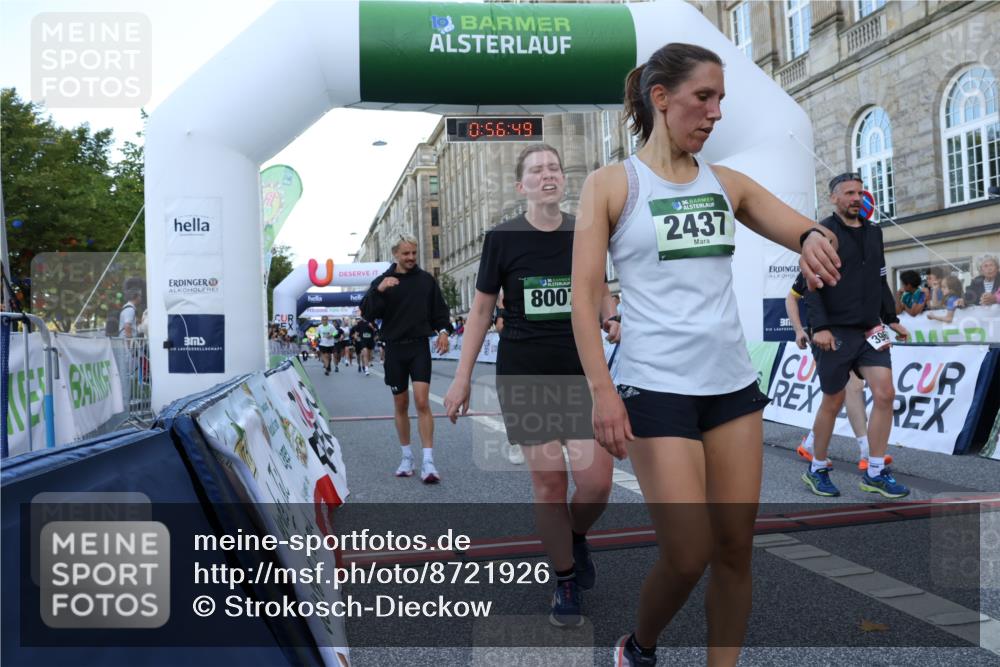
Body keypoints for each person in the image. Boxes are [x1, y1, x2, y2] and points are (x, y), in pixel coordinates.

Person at [569, 43, 841, 667]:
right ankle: (639, 646)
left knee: (735, 549)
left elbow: (798, 225)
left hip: (730, 389)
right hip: (652, 386)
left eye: (721, 100)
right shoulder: (612, 185)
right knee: (688, 551)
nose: (715, 112)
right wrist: (602, 393)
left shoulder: (728, 183)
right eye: (703, 97)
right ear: (661, 99)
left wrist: (813, 240)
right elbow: (585, 300)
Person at [444, 144, 621, 628]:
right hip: (526, 372)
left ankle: (574, 536)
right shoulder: (502, 238)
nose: (548, 176)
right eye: (537, 171)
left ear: (564, 180)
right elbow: (481, 311)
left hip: (584, 369)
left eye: (555, 168)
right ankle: (564, 577)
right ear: (521, 185)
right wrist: (461, 379)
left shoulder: (585, 231)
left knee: (596, 483)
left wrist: (611, 316)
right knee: (549, 483)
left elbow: (598, 288)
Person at [801, 172, 911, 500]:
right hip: (833, 331)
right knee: (833, 401)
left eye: (860, 193)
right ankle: (817, 467)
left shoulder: (874, 233)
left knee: (885, 394)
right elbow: (811, 287)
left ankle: (875, 471)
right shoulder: (822, 233)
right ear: (833, 198)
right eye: (849, 193)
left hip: (870, 330)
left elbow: (879, 279)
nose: (856, 198)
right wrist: (819, 327)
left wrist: (891, 319)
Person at [361, 236, 452, 483]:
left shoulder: (426, 281)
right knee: (401, 404)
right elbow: (368, 312)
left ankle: (429, 461)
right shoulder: (382, 282)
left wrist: (443, 331)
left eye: (414, 252)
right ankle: (406, 456)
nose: (411, 257)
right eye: (406, 254)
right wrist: (379, 291)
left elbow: (440, 312)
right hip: (394, 349)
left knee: (422, 402)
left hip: (419, 347)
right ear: (395, 255)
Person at [786, 272, 888, 470]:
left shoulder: (865, 260)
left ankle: (811, 444)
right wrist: (798, 329)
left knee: (847, 391)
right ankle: (865, 449)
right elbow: (792, 297)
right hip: (828, 335)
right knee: (846, 390)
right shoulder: (821, 258)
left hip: (861, 334)